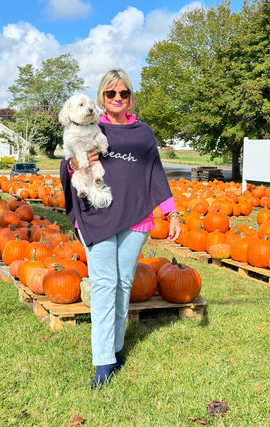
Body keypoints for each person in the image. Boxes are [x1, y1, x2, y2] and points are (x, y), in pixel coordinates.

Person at [60, 69, 181, 389]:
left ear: (130, 96)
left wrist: (172, 213)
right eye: (111, 94)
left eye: (123, 93)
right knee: (103, 286)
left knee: (122, 285)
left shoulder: (142, 132)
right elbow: (67, 164)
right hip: (97, 214)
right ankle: (102, 361)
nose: (117, 98)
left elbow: (155, 171)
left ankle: (113, 351)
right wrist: (76, 163)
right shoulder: (88, 127)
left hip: (135, 218)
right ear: (101, 96)